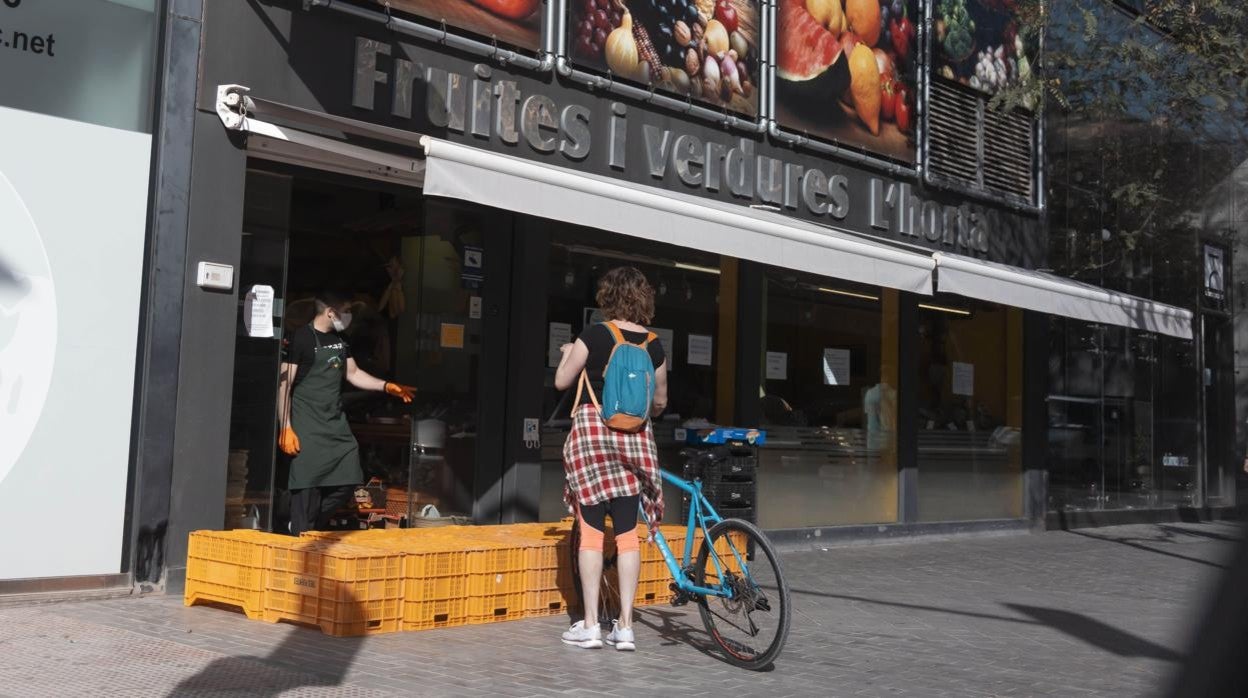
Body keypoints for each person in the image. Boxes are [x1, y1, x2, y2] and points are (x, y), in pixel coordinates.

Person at [554, 267, 668, 651]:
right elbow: (660, 402)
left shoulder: (594, 335)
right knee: (626, 533)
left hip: (593, 436)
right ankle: (626, 626)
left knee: (590, 531)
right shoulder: (654, 345)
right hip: (635, 440)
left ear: (607, 297)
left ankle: (590, 626)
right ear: (644, 298)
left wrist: (570, 354)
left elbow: (561, 382)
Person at [277, 291, 415, 535]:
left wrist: (386, 386)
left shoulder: (340, 341)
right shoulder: (301, 339)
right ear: (331, 312)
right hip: (307, 425)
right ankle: (301, 531)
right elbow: (284, 385)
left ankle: (304, 525)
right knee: (308, 486)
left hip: (335, 425)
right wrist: (286, 427)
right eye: (347, 310)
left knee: (349, 479)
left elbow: (353, 374)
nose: (350, 316)